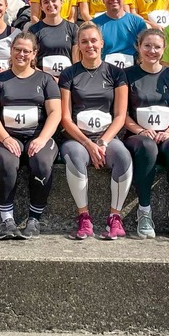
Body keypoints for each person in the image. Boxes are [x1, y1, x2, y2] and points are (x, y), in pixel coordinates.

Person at [0, 32, 62, 240]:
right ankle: (6, 219)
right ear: (11, 50)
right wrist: (6, 139)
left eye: (27, 51)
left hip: (38, 135)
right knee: (8, 163)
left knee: (42, 162)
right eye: (17, 49)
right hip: (7, 136)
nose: (21, 54)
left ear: (34, 53)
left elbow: (55, 112)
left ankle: (34, 218)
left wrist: (42, 139)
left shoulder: (45, 80)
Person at [59, 22, 132, 240]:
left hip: (107, 136)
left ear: (102, 43)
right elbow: (64, 117)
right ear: (78, 46)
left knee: (123, 156)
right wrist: (89, 144)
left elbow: (120, 116)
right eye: (84, 41)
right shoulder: (69, 74)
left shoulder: (116, 73)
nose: (89, 45)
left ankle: (115, 218)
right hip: (77, 138)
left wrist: (102, 142)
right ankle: (84, 217)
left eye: (93, 41)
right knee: (75, 156)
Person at [122, 28, 169, 239]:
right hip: (137, 136)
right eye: (147, 46)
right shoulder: (127, 75)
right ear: (138, 48)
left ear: (164, 49)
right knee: (147, 146)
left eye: (157, 47)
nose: (152, 51)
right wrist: (141, 130)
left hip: (166, 135)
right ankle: (144, 211)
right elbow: (122, 114)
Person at [92, 0, 147, 69]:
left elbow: (144, 51)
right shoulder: (94, 25)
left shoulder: (138, 23)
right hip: (104, 73)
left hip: (132, 72)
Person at [28, 0, 80, 78]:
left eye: (54, 0)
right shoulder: (34, 30)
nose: (50, 5)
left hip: (67, 79)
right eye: (46, 2)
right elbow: (31, 62)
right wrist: (49, 78)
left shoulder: (73, 28)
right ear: (41, 7)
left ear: (61, 2)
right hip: (42, 79)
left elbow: (76, 61)